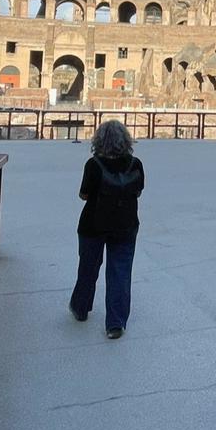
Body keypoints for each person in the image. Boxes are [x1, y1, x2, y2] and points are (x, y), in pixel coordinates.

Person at [71, 120, 145, 338]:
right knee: (120, 273)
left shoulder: (93, 165)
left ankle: (80, 308)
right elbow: (138, 191)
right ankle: (115, 323)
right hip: (126, 225)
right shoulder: (136, 164)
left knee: (88, 268)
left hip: (93, 225)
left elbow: (84, 195)